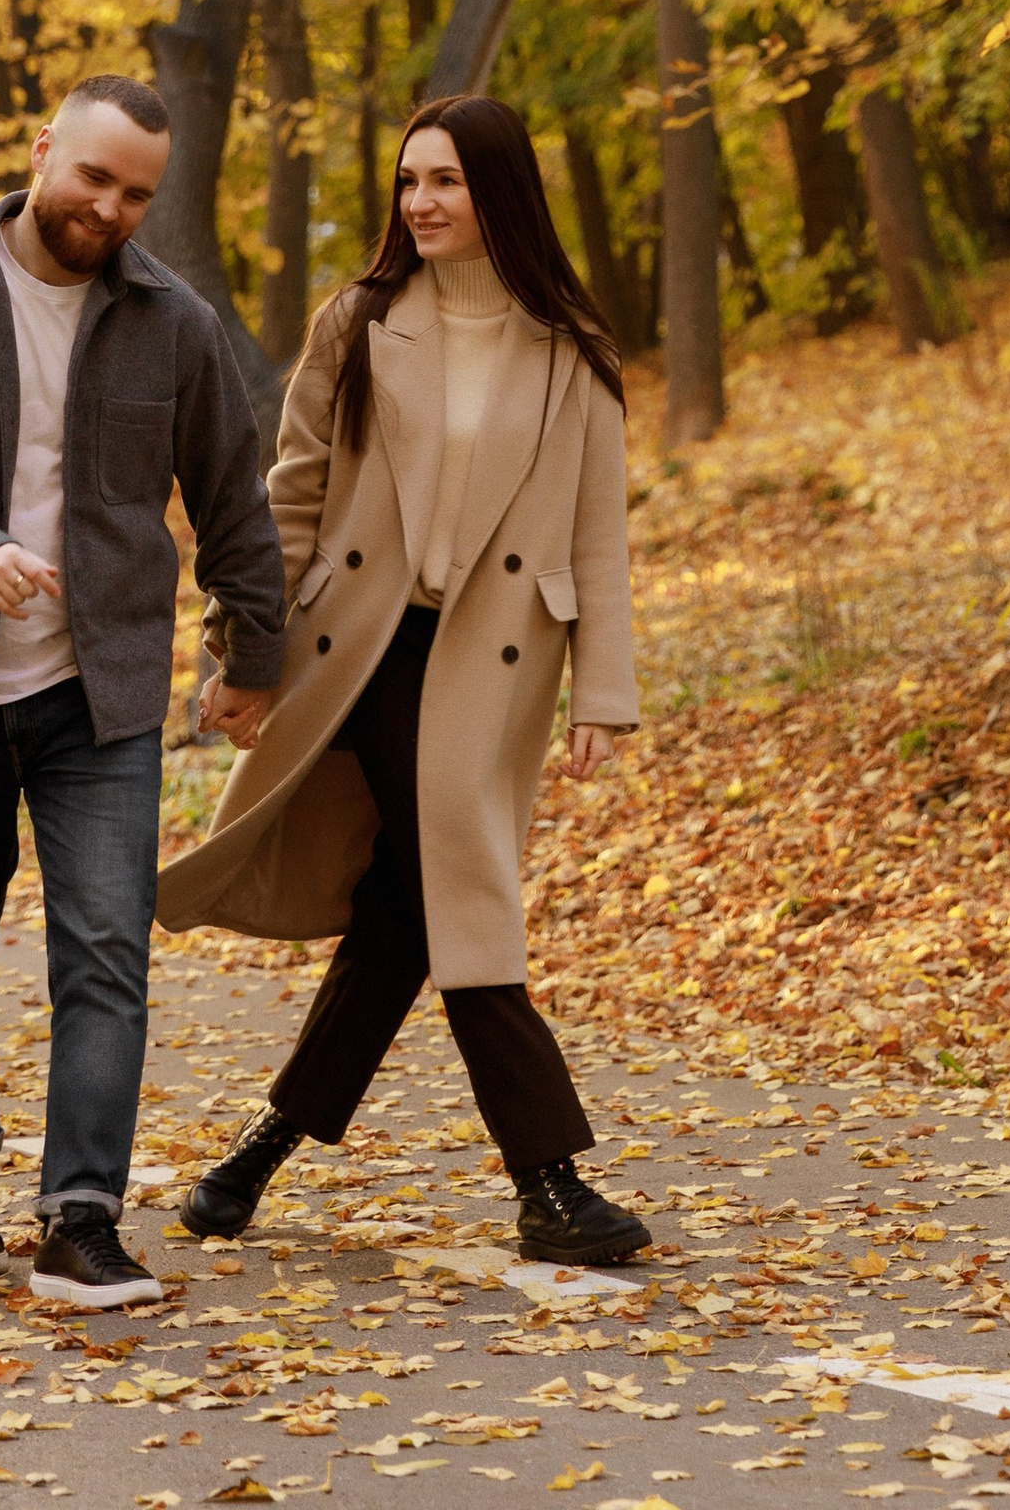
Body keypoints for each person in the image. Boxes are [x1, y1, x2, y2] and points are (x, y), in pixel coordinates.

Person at [159, 91, 649, 1268]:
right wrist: (247, 655)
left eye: (446, 183)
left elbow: (596, 537)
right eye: (408, 183)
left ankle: (255, 1154)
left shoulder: (572, 352)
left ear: (501, 195)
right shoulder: (360, 324)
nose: (421, 204)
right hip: (369, 647)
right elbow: (291, 498)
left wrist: (603, 694)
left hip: (499, 657)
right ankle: (551, 1184)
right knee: (456, 882)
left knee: (407, 907)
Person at [0, 71, 287, 1307]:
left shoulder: (175, 326)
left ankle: (81, 1219)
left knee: (106, 951)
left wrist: (251, 657)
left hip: (99, 699)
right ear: (44, 153)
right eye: (93, 176)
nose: (110, 208)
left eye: (137, 192)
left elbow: (233, 502)